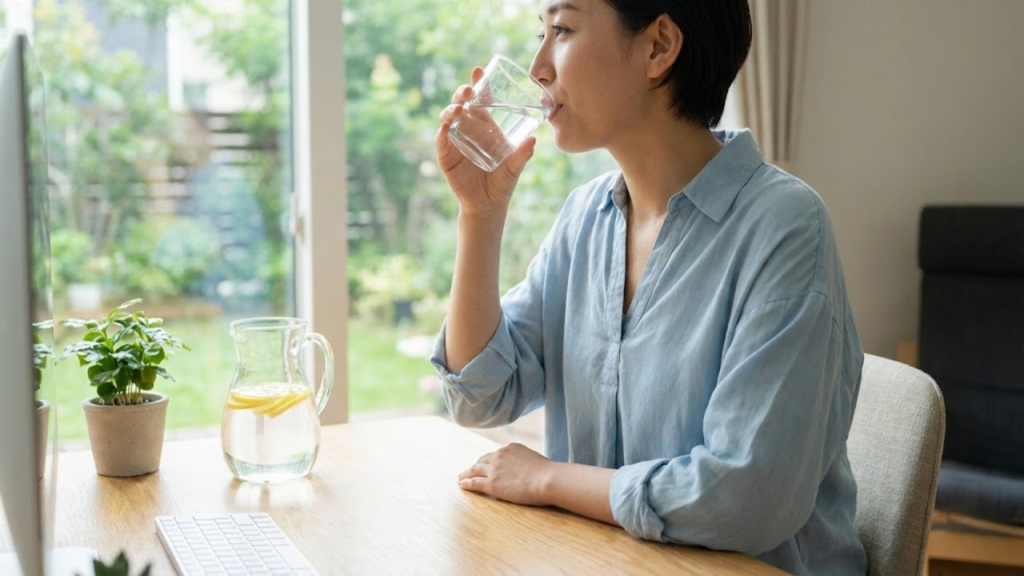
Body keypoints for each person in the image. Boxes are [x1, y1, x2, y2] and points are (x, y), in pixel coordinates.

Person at [431, 1, 867, 574]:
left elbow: (744, 498)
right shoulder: (586, 217)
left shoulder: (785, 226)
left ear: (658, 46)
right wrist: (479, 215)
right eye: (541, 33)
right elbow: (480, 395)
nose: (538, 65)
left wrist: (548, 479)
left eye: (561, 30)